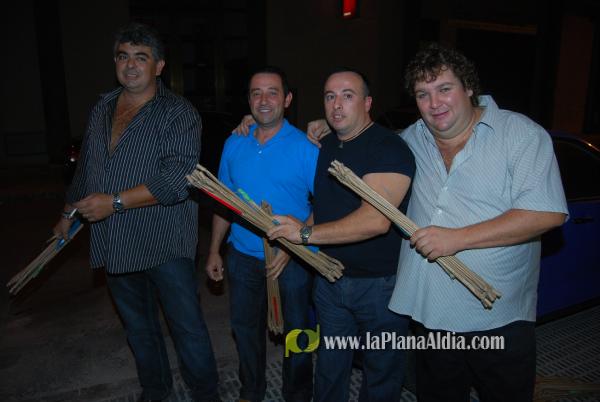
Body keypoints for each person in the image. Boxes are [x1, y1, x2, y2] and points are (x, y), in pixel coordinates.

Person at [306, 44, 569, 402]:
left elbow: (546, 213)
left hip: (496, 314)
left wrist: (458, 238)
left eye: (444, 89)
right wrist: (332, 123)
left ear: (469, 87)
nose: (434, 103)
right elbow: (367, 136)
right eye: (422, 94)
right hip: (431, 312)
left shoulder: (520, 134)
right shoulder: (412, 138)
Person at [52, 22, 219, 402]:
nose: (130, 65)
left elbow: (176, 180)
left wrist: (111, 202)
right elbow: (87, 168)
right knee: (139, 329)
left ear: (158, 66)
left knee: (187, 327)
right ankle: (155, 391)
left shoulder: (178, 113)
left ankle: (205, 394)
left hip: (164, 241)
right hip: (116, 241)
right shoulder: (102, 107)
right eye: (123, 56)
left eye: (141, 58)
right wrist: (68, 212)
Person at [266, 68, 416, 402]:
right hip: (330, 279)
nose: (337, 104)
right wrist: (295, 237)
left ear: (368, 102)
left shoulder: (389, 148)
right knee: (330, 367)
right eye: (330, 96)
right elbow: (324, 207)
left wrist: (305, 234)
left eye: (348, 96)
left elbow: (375, 220)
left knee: (381, 373)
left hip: (380, 287)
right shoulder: (328, 144)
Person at [205, 66, 317, 402]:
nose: (264, 100)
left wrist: (295, 245)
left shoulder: (306, 146)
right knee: (244, 330)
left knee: (298, 332)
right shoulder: (234, 143)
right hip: (242, 257)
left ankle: (297, 394)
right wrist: (214, 249)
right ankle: (251, 391)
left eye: (272, 92)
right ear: (249, 100)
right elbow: (225, 202)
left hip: (294, 259)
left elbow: (326, 203)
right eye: (256, 93)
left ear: (287, 99)